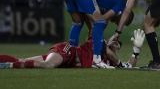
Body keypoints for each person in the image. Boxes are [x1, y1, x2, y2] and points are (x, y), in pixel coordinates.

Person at [63, 0, 134, 68]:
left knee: (78, 23)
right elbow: (102, 19)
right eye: (122, 22)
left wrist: (92, 30)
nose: (117, 23)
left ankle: (71, 56)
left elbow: (88, 17)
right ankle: (97, 60)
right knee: (100, 21)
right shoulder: (121, 6)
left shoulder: (109, 4)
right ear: (123, 16)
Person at [0, 29, 145, 69]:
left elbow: (129, 66)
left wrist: (136, 50)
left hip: (66, 62)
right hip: (67, 51)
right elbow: (110, 54)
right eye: (115, 43)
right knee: (48, 65)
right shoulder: (99, 43)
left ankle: (9, 62)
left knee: (22, 60)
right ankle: (9, 66)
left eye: (118, 46)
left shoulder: (110, 62)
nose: (116, 45)